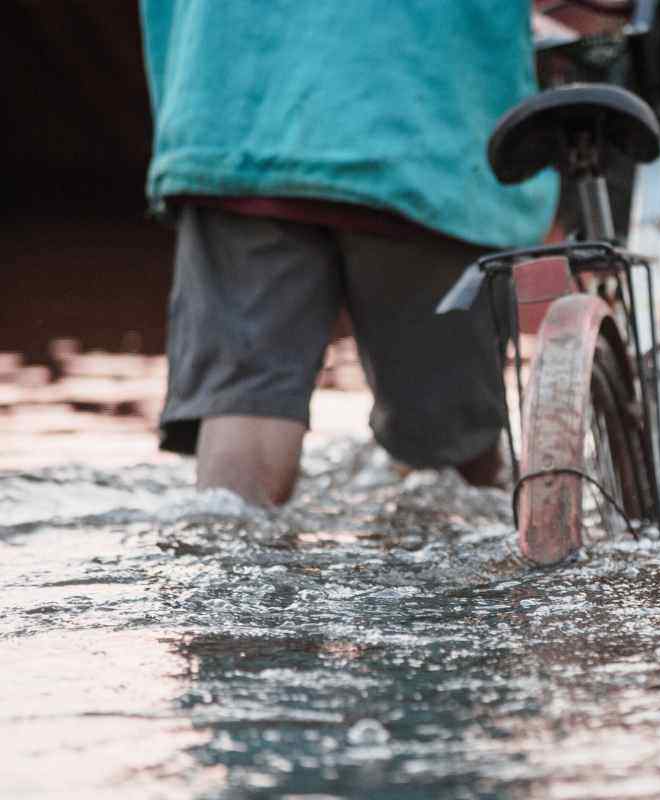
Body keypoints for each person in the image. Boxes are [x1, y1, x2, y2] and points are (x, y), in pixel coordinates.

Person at [140, 2, 558, 505]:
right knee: (449, 455)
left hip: (232, 116)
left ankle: (229, 563)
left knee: (245, 407)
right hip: (424, 133)